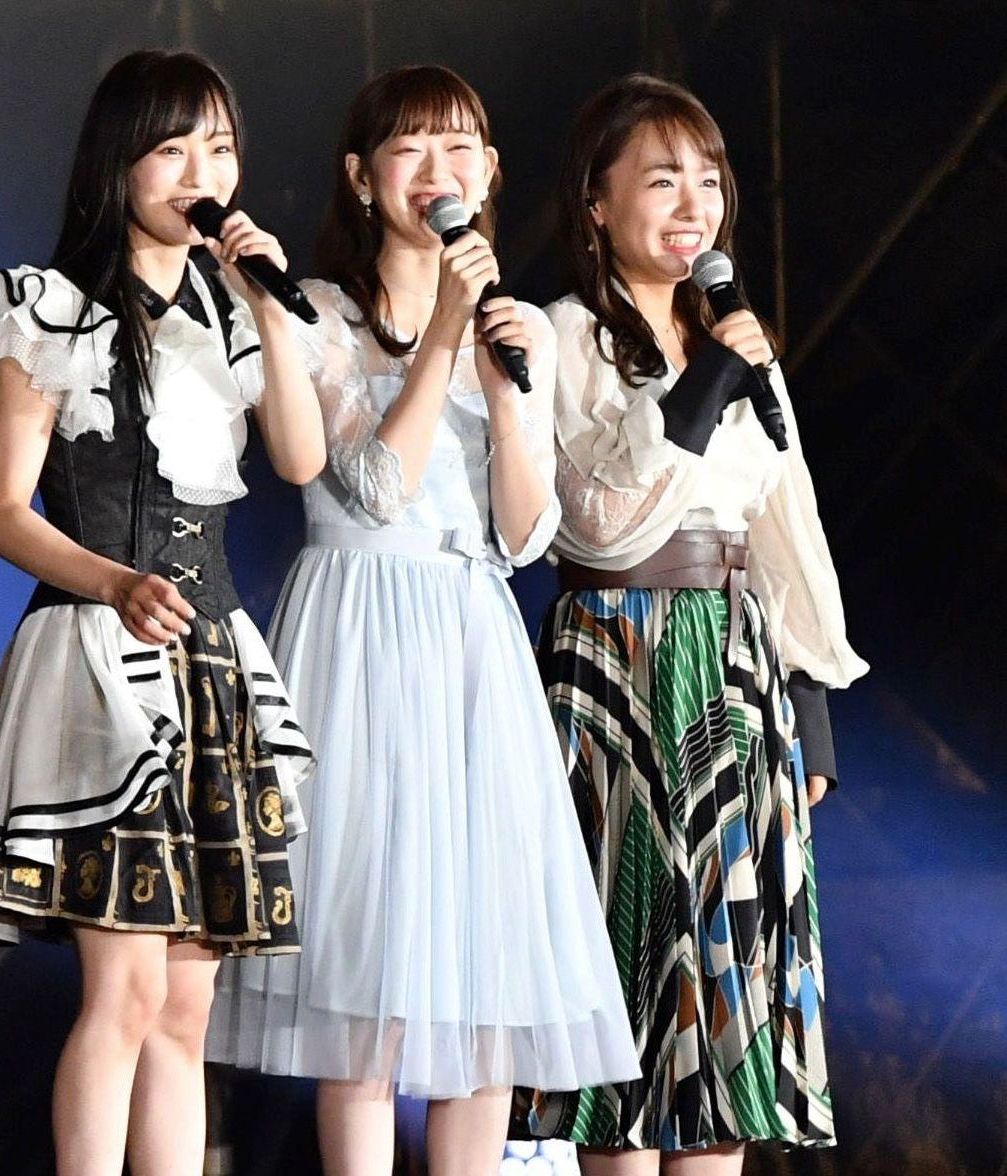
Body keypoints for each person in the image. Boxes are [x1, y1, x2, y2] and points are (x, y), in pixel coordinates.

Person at [206, 65, 639, 1176]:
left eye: (458, 149)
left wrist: (501, 396)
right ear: (362, 178)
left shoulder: (521, 330)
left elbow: (527, 535)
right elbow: (368, 487)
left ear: (488, 173)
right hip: (357, 632)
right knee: (365, 992)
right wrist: (443, 334)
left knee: (483, 988)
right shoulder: (313, 313)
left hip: (470, 638)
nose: (436, 171)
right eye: (409, 149)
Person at [0, 50, 324, 1176]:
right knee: (127, 990)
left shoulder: (234, 314)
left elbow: (301, 458)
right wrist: (111, 582)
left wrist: (271, 307)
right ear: (119, 165)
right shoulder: (47, 311)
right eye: (173, 149)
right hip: (100, 657)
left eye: (220, 148)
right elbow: (3, 512)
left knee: (187, 1008)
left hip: (211, 662)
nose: (202, 173)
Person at [530, 74, 869, 1173]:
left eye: (709, 181)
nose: (694, 206)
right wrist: (709, 373)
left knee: (724, 1003)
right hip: (615, 659)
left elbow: (784, 527)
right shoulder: (564, 335)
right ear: (595, 201)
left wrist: (809, 708)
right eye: (662, 180)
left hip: (733, 669)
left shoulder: (733, 340)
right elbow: (599, 516)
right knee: (625, 982)